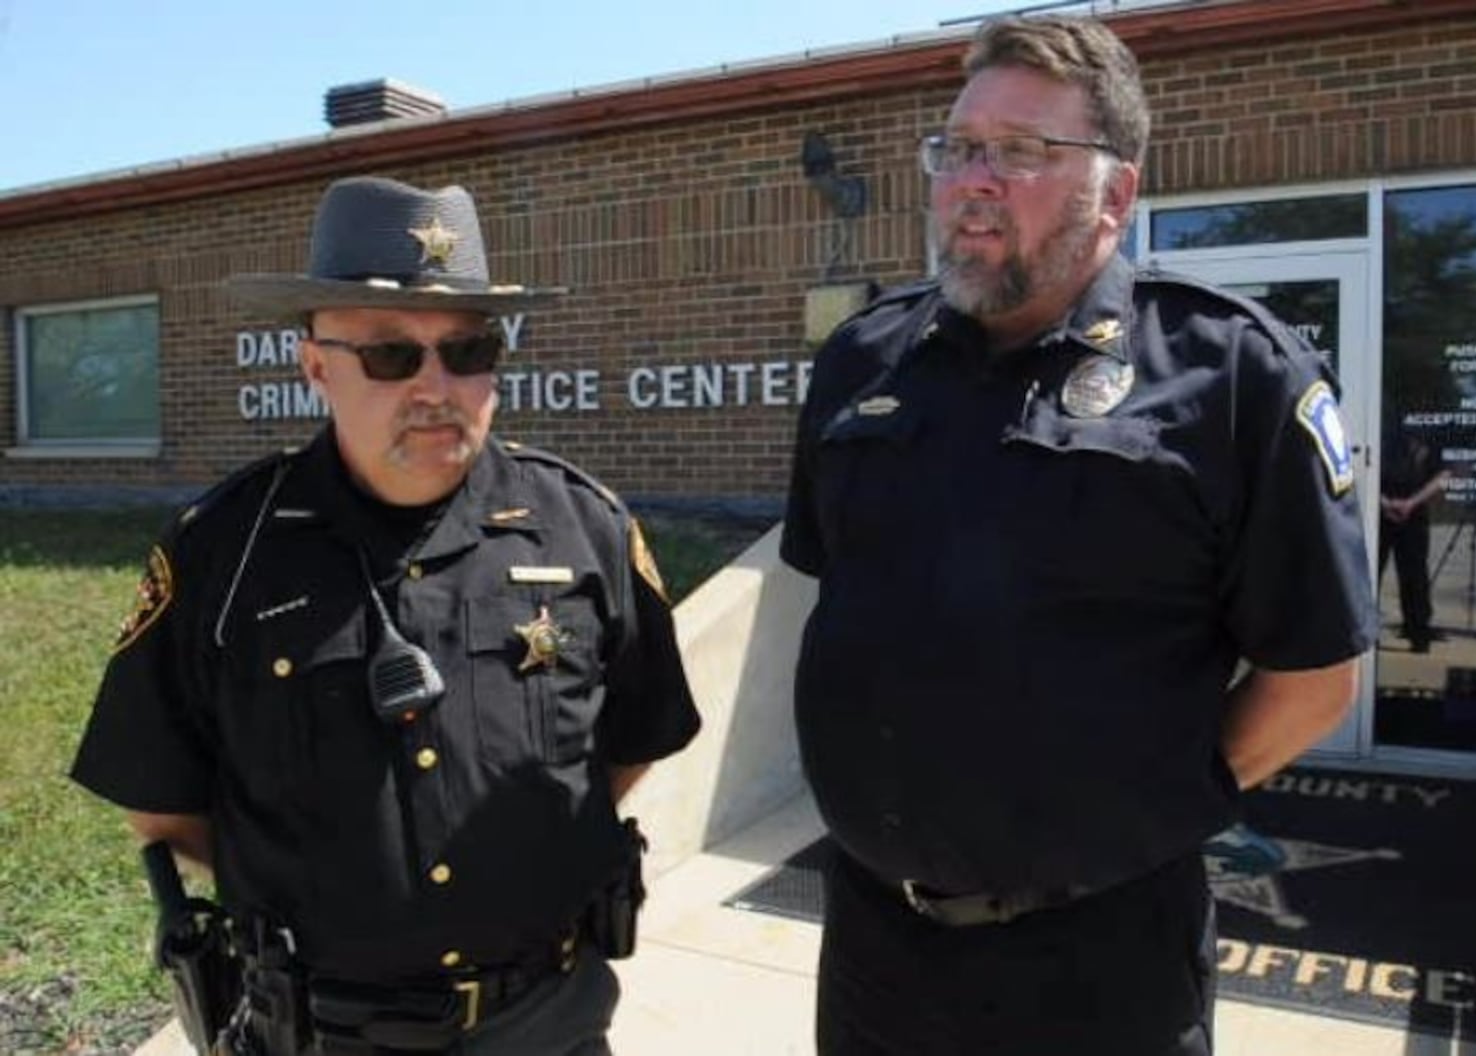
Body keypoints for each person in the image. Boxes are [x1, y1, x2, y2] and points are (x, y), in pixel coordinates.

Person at [781, 16, 1374, 1055]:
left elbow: (1313, 679)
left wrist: (1135, 817)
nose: (974, 178)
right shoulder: (864, 359)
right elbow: (840, 604)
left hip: (1100, 969)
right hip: (876, 947)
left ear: (1118, 191)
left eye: (1021, 152)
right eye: (959, 147)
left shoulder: (1231, 374)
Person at [70, 176, 701, 1056]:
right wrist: (333, 897)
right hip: (324, 1033)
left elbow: (629, 741)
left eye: (469, 350)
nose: (436, 386)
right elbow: (160, 803)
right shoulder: (223, 550)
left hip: (546, 1023)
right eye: (392, 356)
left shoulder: (585, 525)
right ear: (315, 365)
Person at [1379, 421, 1450, 652]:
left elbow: (1442, 476)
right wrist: (1383, 503)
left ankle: (1418, 631)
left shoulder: (1433, 443)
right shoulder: (1385, 438)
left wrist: (1412, 502)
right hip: (1380, 513)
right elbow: (1363, 465)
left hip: (1415, 514)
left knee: (1415, 575)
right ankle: (1366, 632)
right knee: (1371, 574)